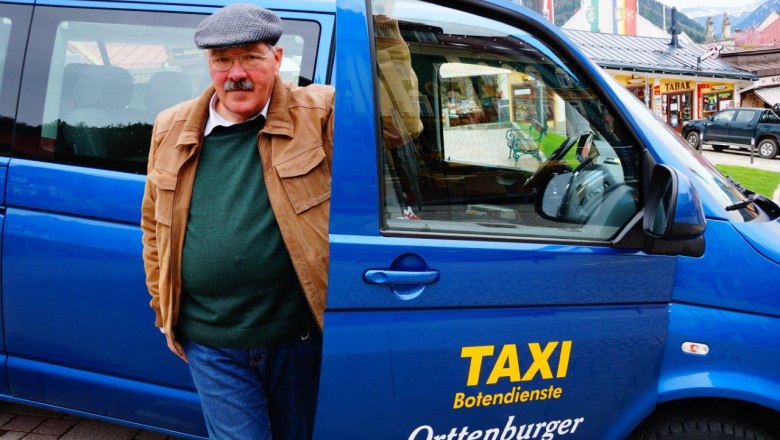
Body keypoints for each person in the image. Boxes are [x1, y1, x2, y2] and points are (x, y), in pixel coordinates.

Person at [140, 4, 334, 439]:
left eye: (251, 57)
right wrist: (163, 309)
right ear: (208, 64)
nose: (235, 73)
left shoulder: (318, 112)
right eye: (222, 60)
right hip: (211, 340)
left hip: (295, 335)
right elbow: (154, 228)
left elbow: (398, 129)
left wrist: (386, 26)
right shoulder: (170, 128)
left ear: (278, 60)